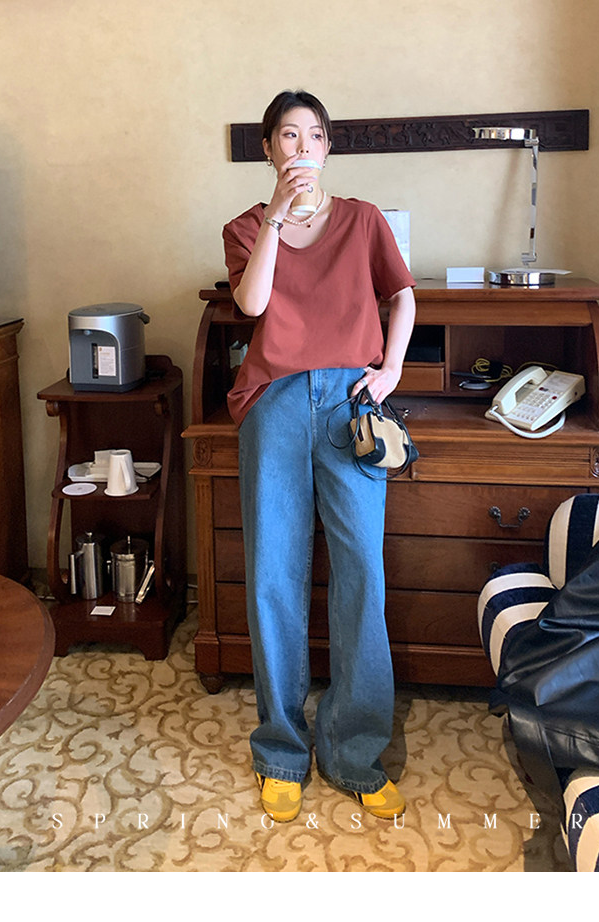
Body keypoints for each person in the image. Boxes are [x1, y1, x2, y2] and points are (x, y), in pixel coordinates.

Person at [222, 89, 416, 824]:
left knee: (361, 568)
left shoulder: (363, 220)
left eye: (313, 135)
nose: (301, 146)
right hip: (273, 405)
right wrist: (277, 213)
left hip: (350, 407)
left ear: (329, 146)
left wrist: (391, 370)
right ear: (269, 148)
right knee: (274, 571)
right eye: (287, 135)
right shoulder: (247, 227)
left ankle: (355, 752)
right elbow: (251, 305)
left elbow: (402, 295)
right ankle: (280, 750)